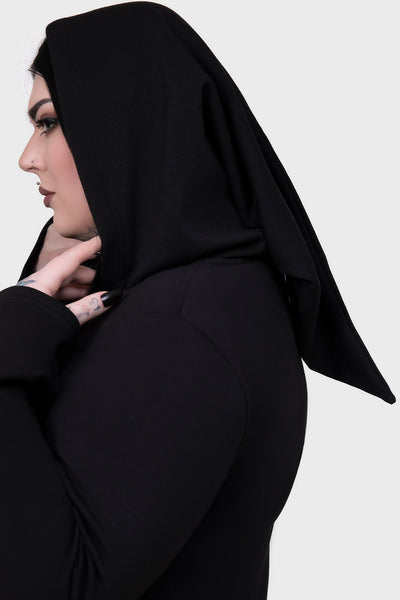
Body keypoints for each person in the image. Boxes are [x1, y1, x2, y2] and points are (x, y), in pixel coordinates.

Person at [0, 2, 395, 599]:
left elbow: (57, 585)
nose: (27, 157)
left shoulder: (180, 324)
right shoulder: (207, 297)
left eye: (49, 122)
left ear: (123, 123)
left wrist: (8, 345)